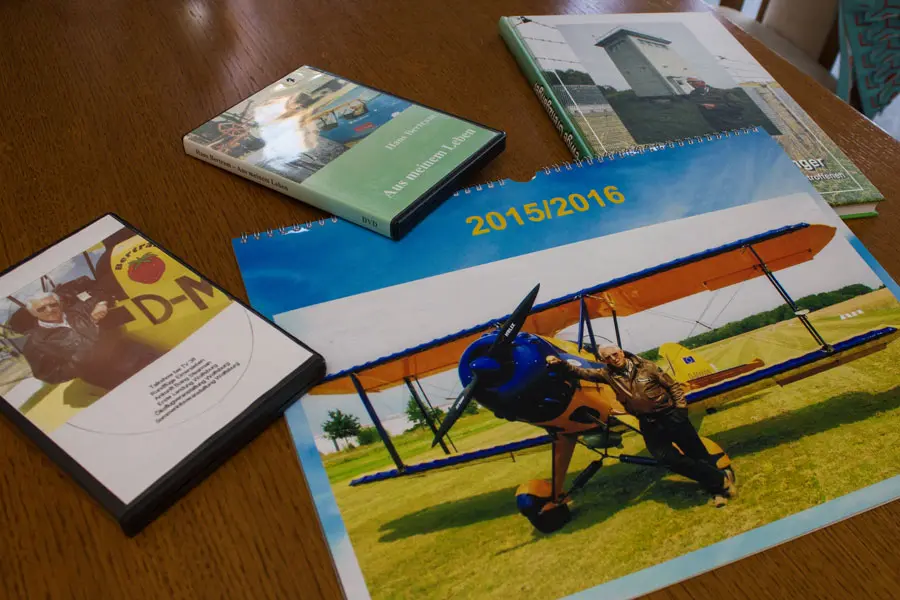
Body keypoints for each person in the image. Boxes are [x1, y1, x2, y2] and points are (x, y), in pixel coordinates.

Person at [546, 345, 736, 506]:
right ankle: (720, 479)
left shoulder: (647, 367)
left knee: (696, 452)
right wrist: (560, 364)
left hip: (670, 415)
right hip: (648, 422)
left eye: (615, 354)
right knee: (666, 458)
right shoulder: (607, 374)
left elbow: (673, 386)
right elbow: (582, 373)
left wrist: (680, 410)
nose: (613, 359)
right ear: (604, 360)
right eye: (608, 358)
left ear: (621, 352)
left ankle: (718, 491)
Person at [22, 290, 161, 391]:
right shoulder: (35, 343)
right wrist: (76, 365)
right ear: (33, 313)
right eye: (42, 308)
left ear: (59, 303)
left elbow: (102, 292)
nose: (50, 310)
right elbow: (47, 374)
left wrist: (102, 304)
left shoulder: (79, 310)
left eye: (53, 304)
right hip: (107, 375)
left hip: (133, 353)